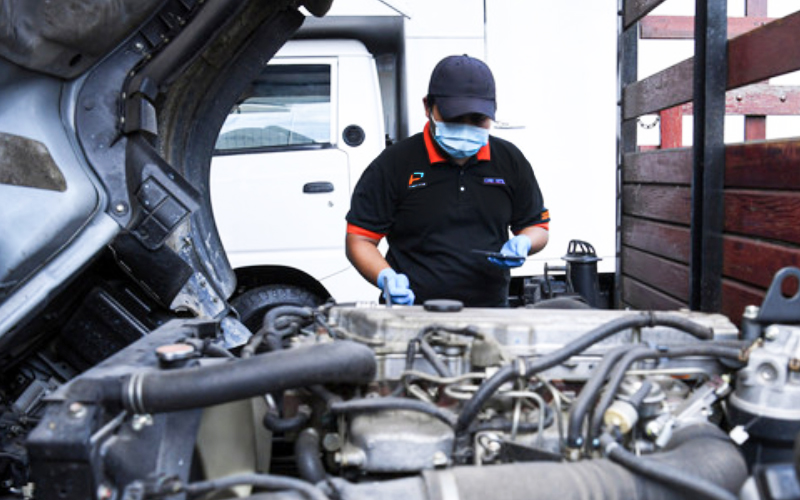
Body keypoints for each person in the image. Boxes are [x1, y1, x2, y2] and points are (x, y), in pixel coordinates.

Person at [345, 54, 549, 307]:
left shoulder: (509, 161)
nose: (465, 128)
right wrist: (385, 277)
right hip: (412, 313)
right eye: (454, 118)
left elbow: (537, 227)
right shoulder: (394, 164)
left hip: (490, 313)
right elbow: (359, 239)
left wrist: (525, 242)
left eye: (477, 120)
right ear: (427, 107)